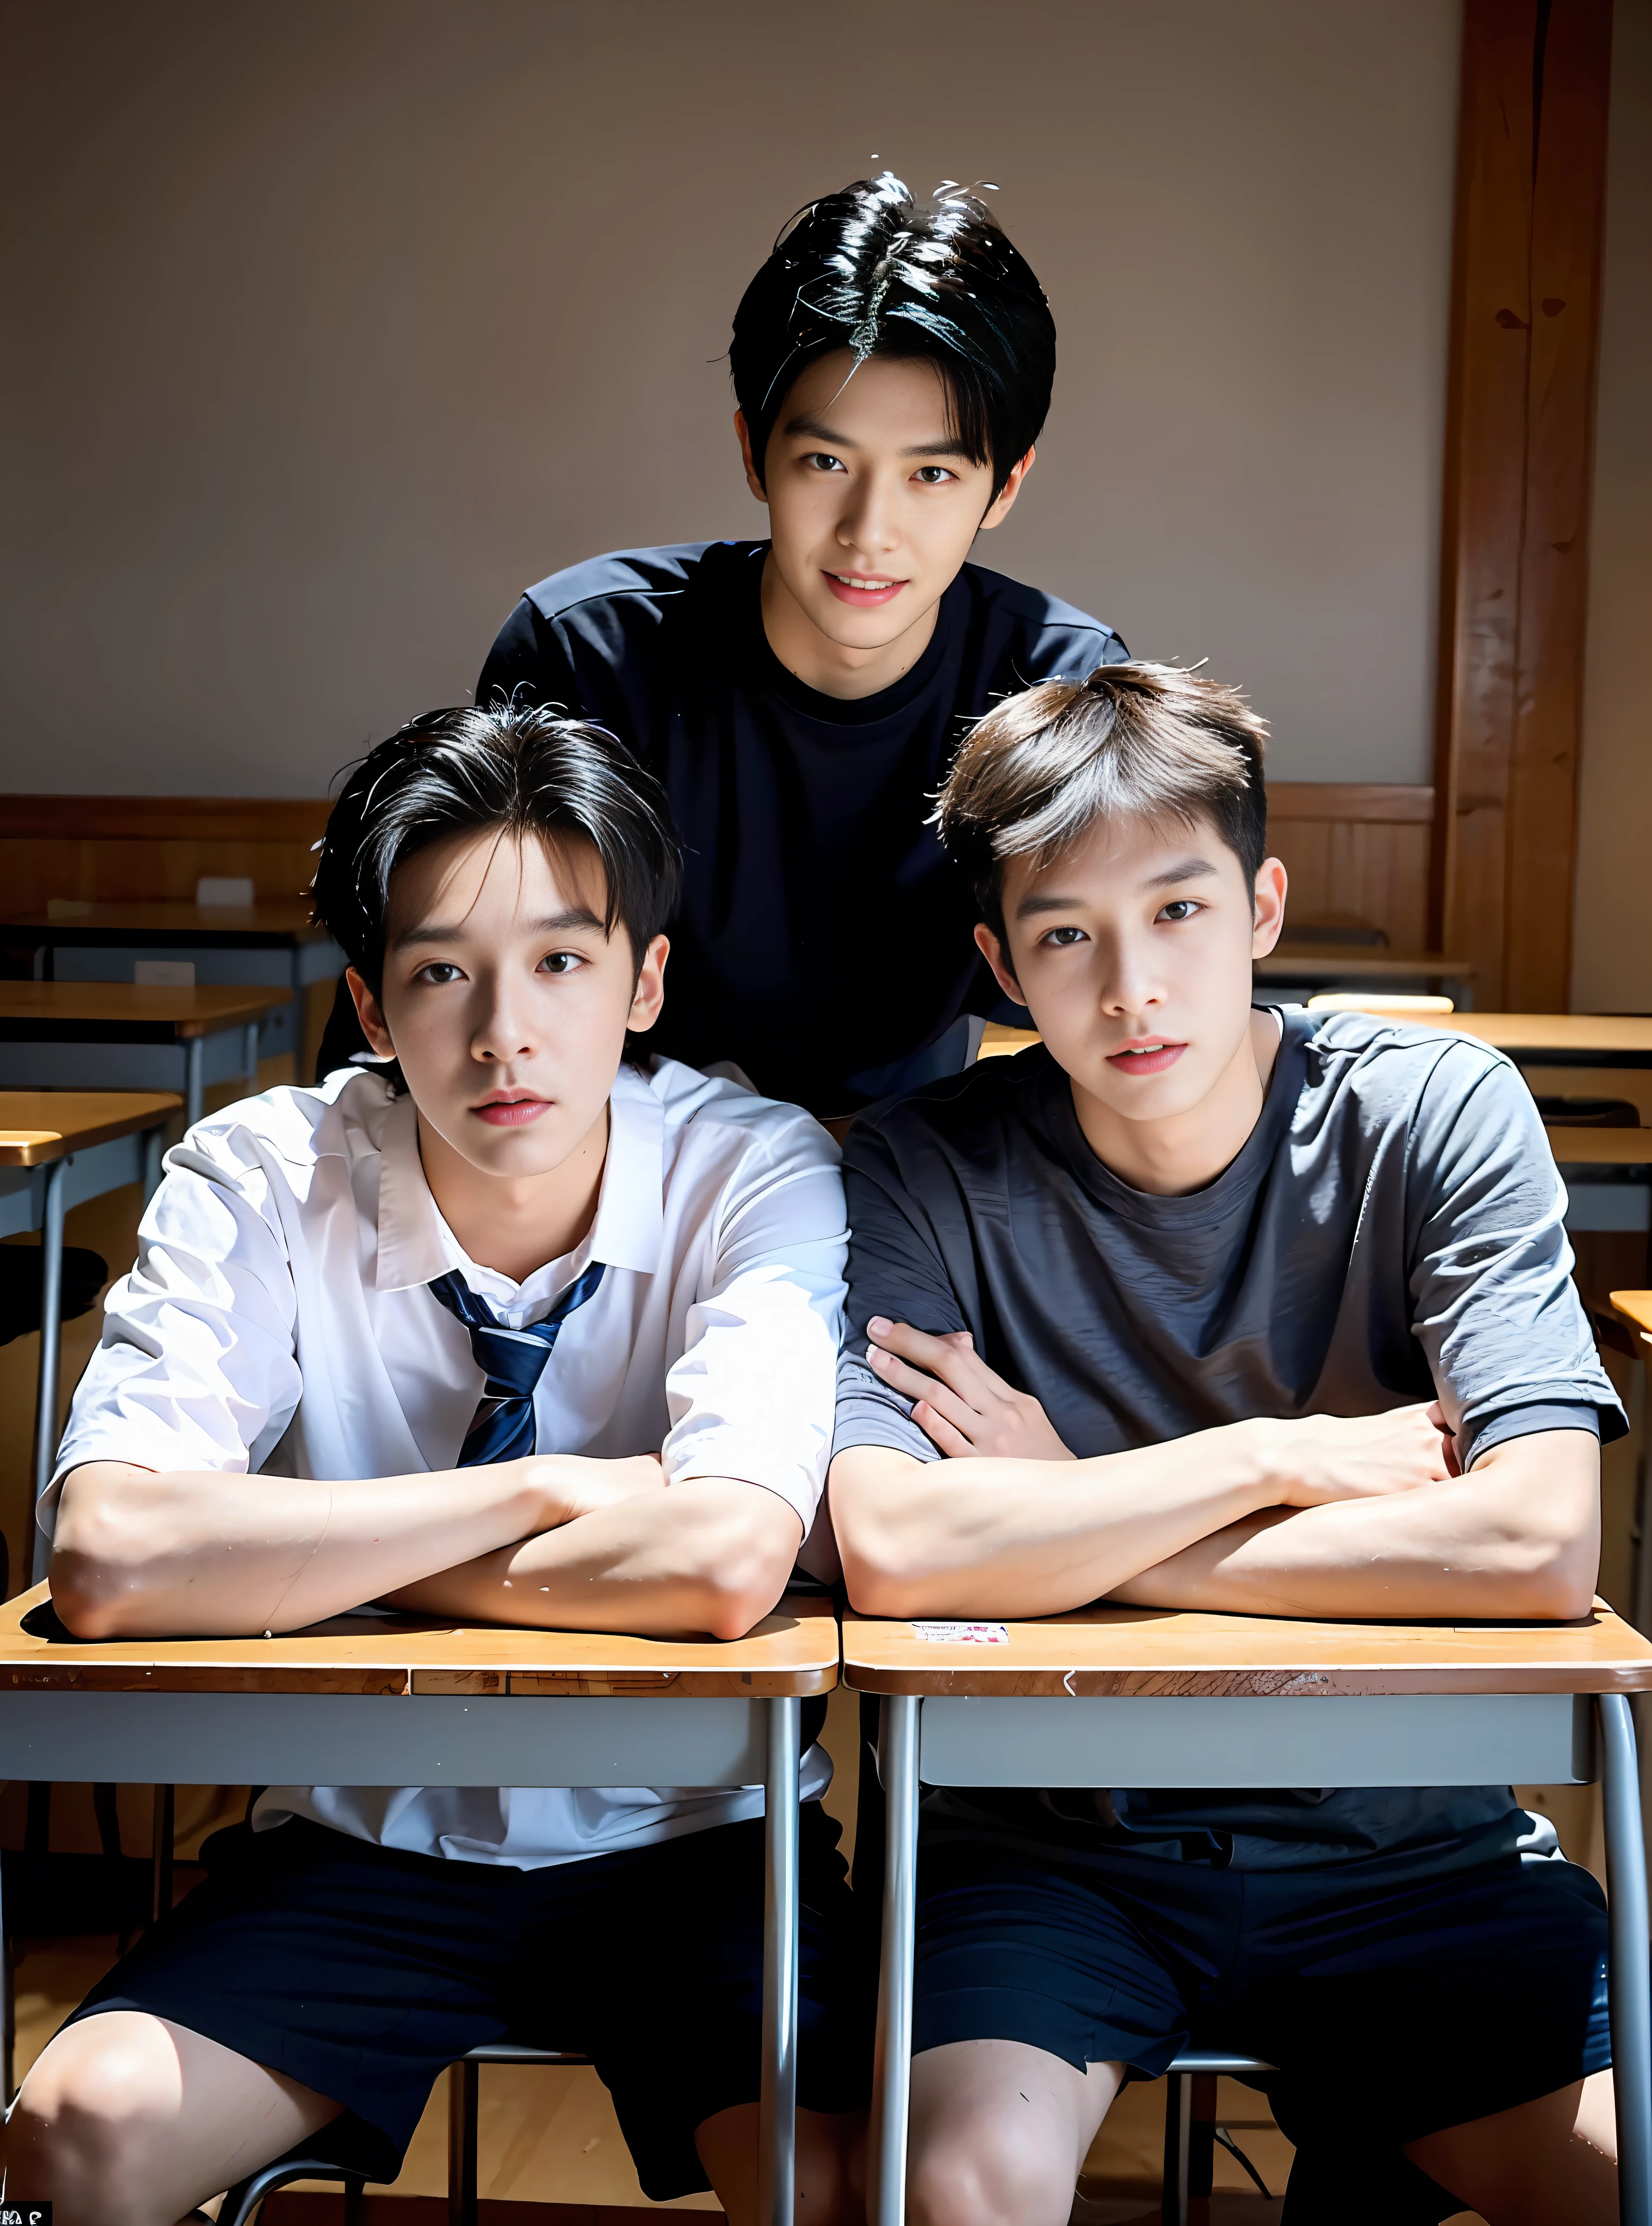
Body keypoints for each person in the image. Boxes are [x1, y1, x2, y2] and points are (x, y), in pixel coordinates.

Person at [10, 703, 866, 2226]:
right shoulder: (266, 1169)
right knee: (80, 2130)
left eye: (559, 961)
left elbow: (728, 1561)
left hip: (697, 1840)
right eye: (439, 974)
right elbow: (112, 1561)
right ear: (370, 1002)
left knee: (858, 2185)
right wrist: (547, 1491)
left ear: (645, 980)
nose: (503, 1033)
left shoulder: (756, 1167)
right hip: (368, 1835)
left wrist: (306, 1562)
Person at [827, 661, 1626, 2226]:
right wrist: (1273, 1457)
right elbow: (897, 1551)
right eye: (1067, 936)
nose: (1132, 990)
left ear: (1261, 906)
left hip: (1418, 1846)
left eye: (1179, 913)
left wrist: (1071, 1515)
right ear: (999, 962)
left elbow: (1538, 1544)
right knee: (955, 2189)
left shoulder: (1434, 1109)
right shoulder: (928, 1164)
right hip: (1047, 1851)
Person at [317, 171, 1127, 1113]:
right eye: (825, 462)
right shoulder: (590, 653)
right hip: (619, 1162)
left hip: (904, 1169)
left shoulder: (1054, 684)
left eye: (933, 474)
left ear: (1006, 486)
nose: (871, 529)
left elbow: (1098, 1012)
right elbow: (473, 972)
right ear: (753, 453)